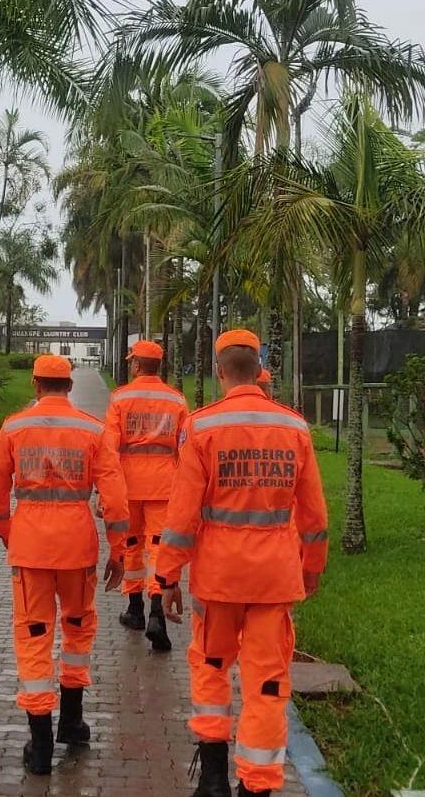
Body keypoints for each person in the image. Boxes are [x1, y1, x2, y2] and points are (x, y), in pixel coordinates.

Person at [156, 330, 328, 797]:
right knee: (267, 684)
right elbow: (313, 515)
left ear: (219, 372)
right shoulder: (295, 428)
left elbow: (182, 513)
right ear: (259, 369)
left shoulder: (202, 427)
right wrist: (310, 567)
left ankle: (212, 780)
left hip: (217, 581)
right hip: (274, 580)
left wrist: (166, 576)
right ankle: (259, 786)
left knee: (212, 669)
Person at [0, 354, 129, 775]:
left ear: (34, 384)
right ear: (68, 386)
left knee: (33, 635)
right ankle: (72, 719)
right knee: (78, 628)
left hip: (30, 546)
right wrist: (119, 549)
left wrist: (10, 533)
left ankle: (41, 739)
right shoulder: (91, 428)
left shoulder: (13, 427)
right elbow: (115, 498)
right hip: (77, 548)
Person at [104, 339, 188, 651]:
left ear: (137, 365)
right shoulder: (177, 401)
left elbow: (108, 449)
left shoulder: (120, 399)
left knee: (131, 545)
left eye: (131, 362)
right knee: (158, 548)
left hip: (126, 484)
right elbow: (186, 448)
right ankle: (157, 610)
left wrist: (107, 490)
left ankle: (135, 608)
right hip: (164, 485)